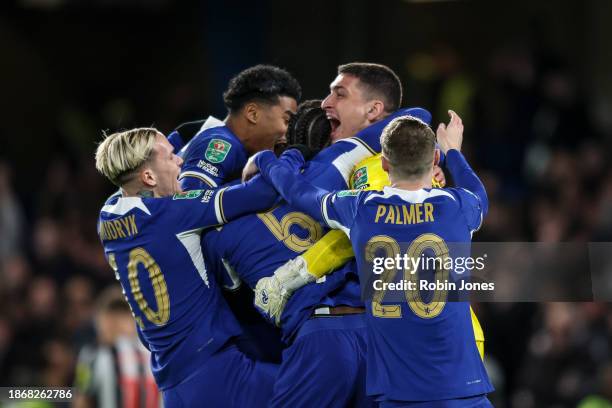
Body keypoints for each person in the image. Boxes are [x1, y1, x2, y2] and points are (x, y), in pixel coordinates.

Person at [198, 63, 431, 407]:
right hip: (388, 340)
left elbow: (232, 301)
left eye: (339, 93)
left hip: (322, 336)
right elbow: (418, 115)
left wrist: (270, 161)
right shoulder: (368, 166)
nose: (326, 101)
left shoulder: (223, 229)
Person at [253, 110, 494, 407]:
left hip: (400, 394)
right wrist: (454, 151)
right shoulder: (460, 205)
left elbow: (298, 191)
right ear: (434, 162)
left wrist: (265, 160)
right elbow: (478, 192)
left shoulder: (360, 208)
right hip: (462, 388)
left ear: (383, 162)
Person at [94, 127, 299, 407]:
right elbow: (261, 193)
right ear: (149, 176)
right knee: (327, 391)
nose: (180, 161)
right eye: (171, 158)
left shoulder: (107, 216)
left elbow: (172, 141)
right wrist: (285, 155)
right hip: (217, 375)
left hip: (174, 384)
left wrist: (184, 136)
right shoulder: (174, 214)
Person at [175, 64, 301, 189]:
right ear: (253, 113)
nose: (288, 134)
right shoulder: (223, 145)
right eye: (287, 120)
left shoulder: (194, 131)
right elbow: (187, 203)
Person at [74, 286, 159, 408]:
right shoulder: (91, 355)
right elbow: (81, 398)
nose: (115, 322)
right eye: (110, 314)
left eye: (122, 314)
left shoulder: (153, 353)